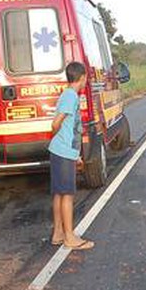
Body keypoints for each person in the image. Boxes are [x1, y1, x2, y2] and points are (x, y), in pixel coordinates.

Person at [49, 62, 95, 250]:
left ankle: (58, 233)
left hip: (63, 151)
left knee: (60, 193)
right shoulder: (71, 96)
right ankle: (69, 237)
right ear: (82, 77)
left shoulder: (68, 94)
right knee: (67, 194)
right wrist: (62, 140)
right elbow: (56, 123)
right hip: (63, 151)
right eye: (86, 79)